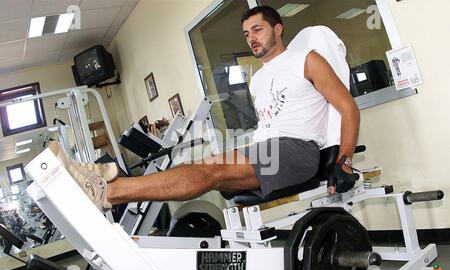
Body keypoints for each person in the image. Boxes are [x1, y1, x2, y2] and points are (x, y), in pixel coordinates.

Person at [47, 6, 360, 213]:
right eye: (246, 34)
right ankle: (105, 181)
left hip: (297, 150)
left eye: (258, 30)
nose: (251, 38)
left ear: (278, 29)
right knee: (206, 164)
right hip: (266, 147)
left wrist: (344, 162)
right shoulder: (260, 77)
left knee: (213, 169)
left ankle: (108, 190)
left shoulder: (306, 59)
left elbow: (348, 108)